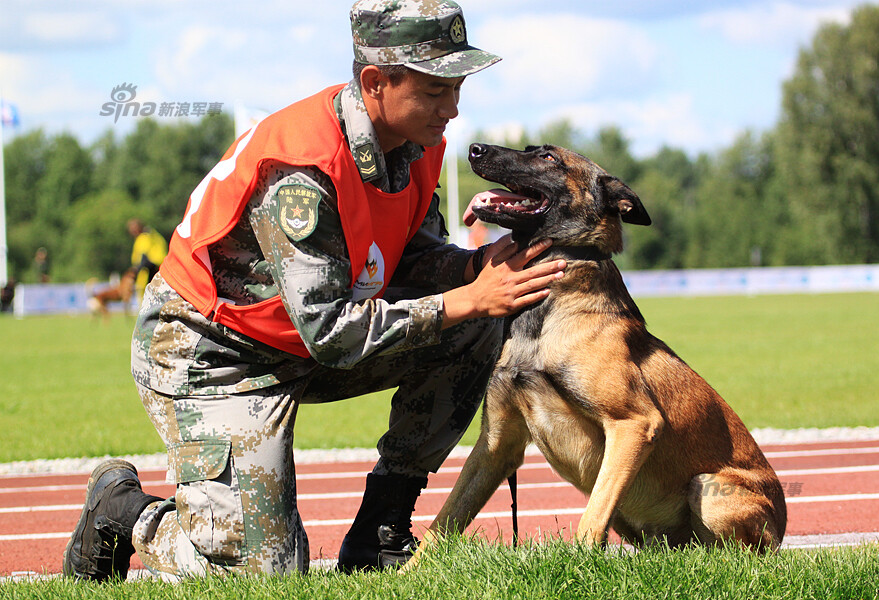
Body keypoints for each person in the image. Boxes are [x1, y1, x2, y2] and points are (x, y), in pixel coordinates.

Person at [63, 0, 566, 582]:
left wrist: (478, 267)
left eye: (456, 87)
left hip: (300, 339)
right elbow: (331, 332)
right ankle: (124, 513)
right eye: (434, 90)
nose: (452, 108)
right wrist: (467, 296)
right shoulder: (303, 171)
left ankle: (381, 531)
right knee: (261, 577)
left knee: (477, 321)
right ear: (376, 81)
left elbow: (412, 258)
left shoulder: (417, 144)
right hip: (214, 355)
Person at [127, 218, 168, 300]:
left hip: (151, 267)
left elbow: (144, 256)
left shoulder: (143, 237)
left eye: (133, 228)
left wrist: (136, 269)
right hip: (162, 266)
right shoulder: (153, 234)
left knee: (148, 292)